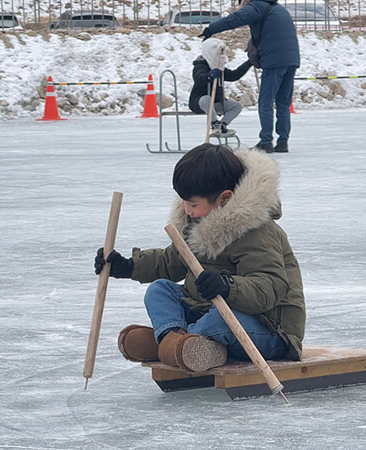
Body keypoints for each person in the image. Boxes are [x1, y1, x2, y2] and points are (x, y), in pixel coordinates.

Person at [95, 144, 306, 373]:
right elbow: (171, 261)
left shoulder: (258, 233)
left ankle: (173, 345)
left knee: (222, 319)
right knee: (160, 290)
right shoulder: (198, 222)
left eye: (193, 204)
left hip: (267, 329)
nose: (187, 210)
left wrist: (228, 287)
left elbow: (270, 287)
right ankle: (174, 340)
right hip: (208, 312)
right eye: (184, 202)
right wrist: (127, 266)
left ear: (224, 198)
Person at [199, 0, 300, 153]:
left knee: (265, 101)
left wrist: (210, 29)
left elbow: (235, 19)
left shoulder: (257, 6)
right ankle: (283, 141)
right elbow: (272, 33)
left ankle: (266, 141)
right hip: (291, 59)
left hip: (274, 61)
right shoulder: (278, 8)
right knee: (283, 103)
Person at [189, 39, 253, 135]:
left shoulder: (219, 68)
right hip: (200, 103)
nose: (220, 55)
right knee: (207, 99)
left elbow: (234, 75)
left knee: (237, 106)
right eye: (218, 53)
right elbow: (199, 78)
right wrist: (209, 76)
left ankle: (222, 125)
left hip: (217, 103)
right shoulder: (200, 66)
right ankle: (214, 124)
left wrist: (248, 63)